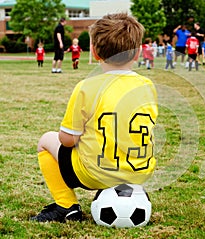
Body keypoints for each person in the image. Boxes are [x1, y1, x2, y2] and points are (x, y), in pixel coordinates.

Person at [31, 12, 158, 223]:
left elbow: (67, 140)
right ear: (137, 54)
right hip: (140, 172)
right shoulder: (147, 86)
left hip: (94, 174)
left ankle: (66, 206)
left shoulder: (87, 88)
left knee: (46, 140)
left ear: (95, 52)